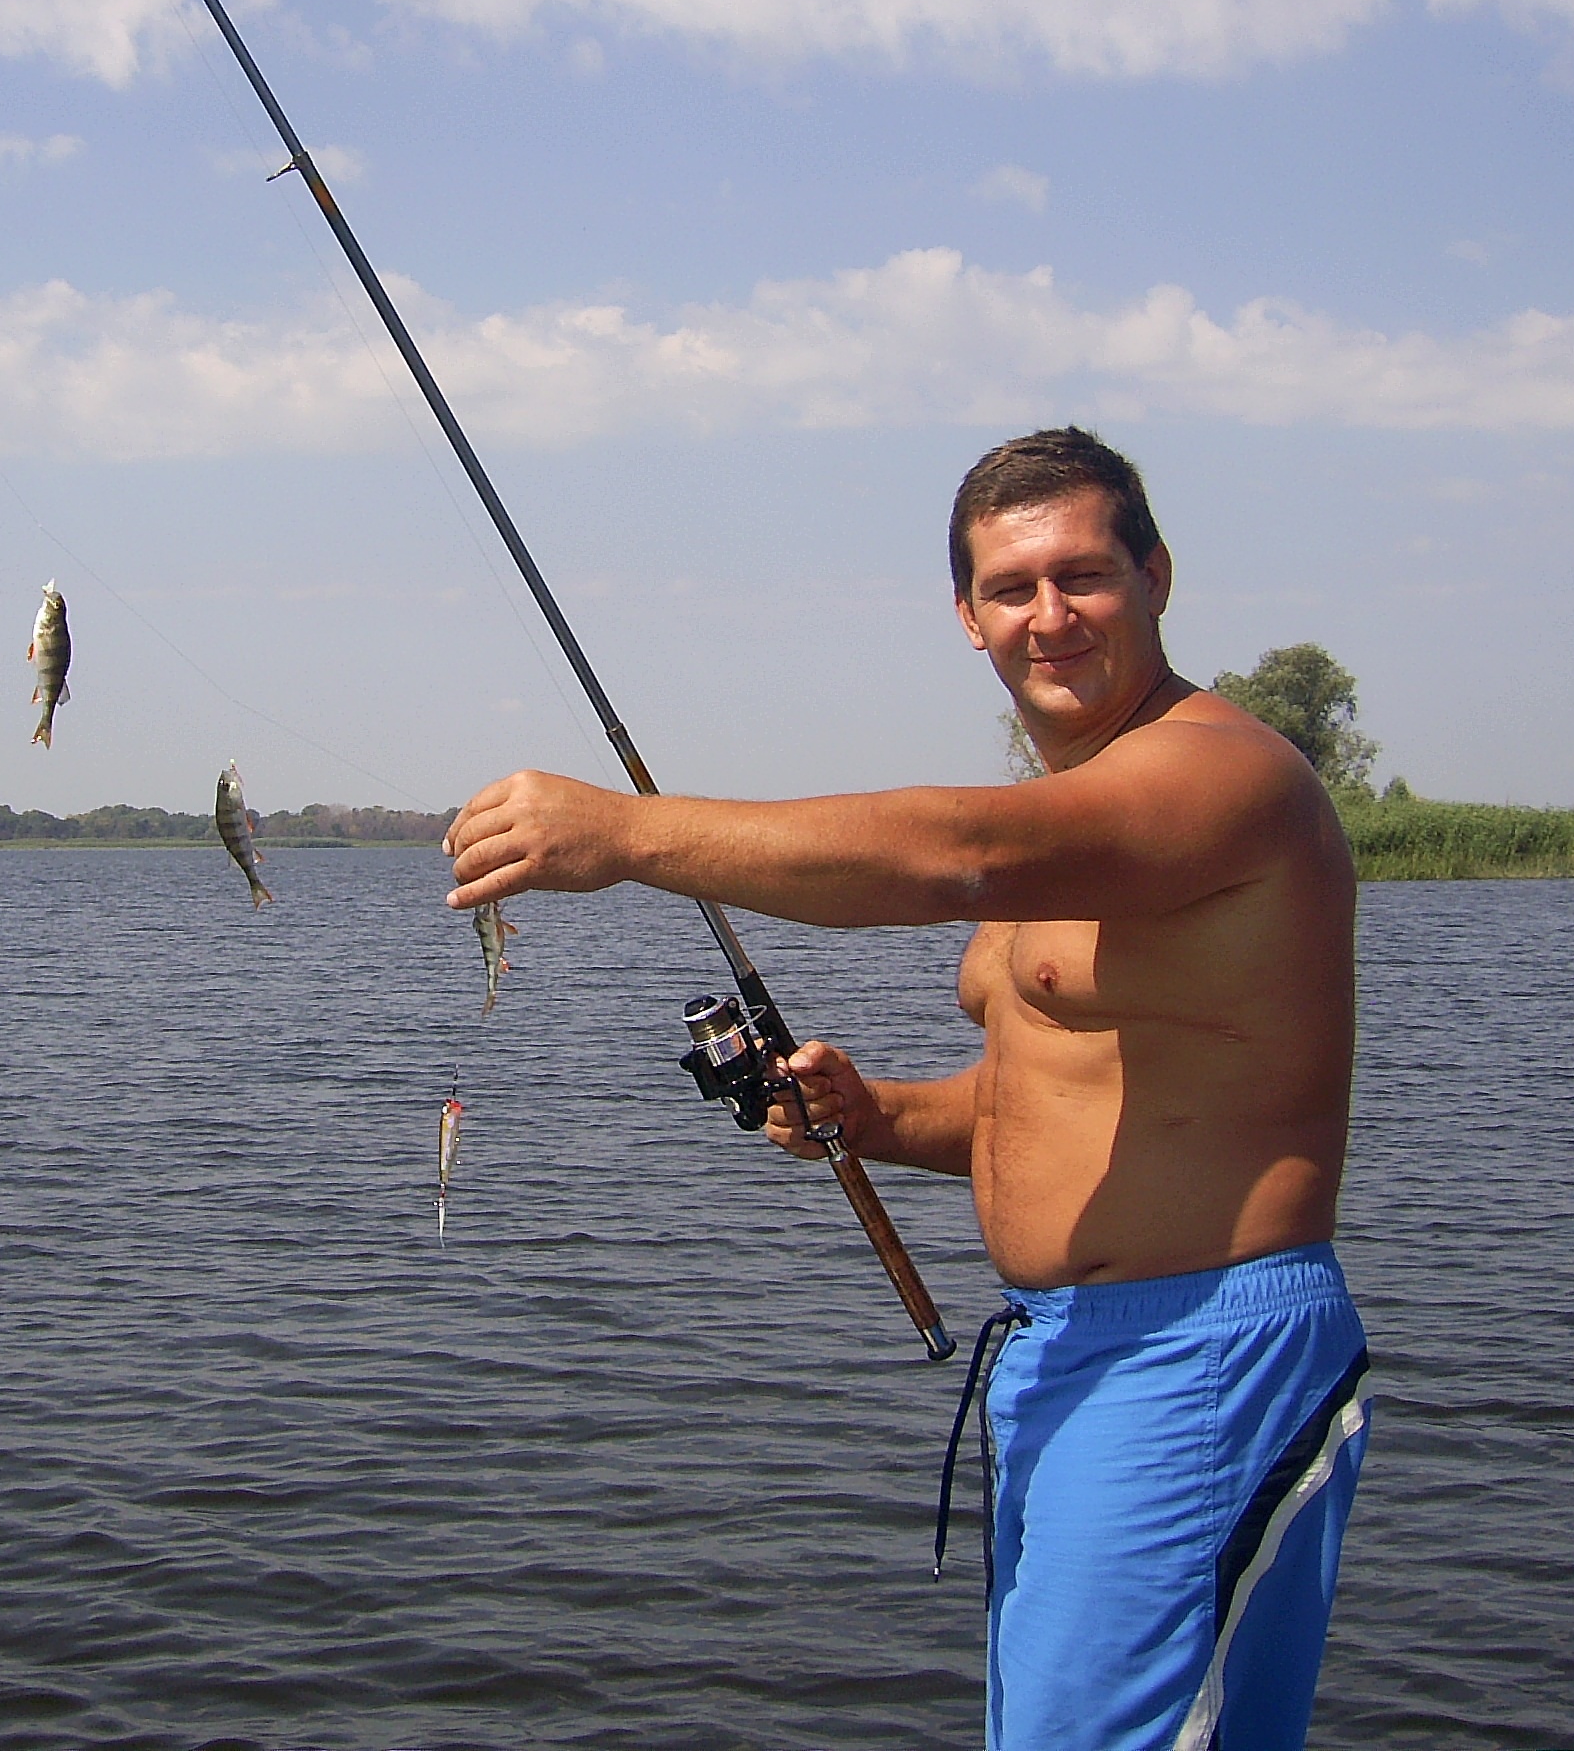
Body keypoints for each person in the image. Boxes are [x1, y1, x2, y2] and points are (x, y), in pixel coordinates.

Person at [443, 426, 1369, 1751]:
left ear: (1158, 577)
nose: (1047, 616)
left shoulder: (1227, 778)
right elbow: (1044, 1104)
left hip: (1200, 1357)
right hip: (1064, 1359)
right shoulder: (1087, 824)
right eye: (1010, 589)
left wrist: (630, 834)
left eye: (1084, 576)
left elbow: (955, 858)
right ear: (966, 616)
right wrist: (875, 1116)